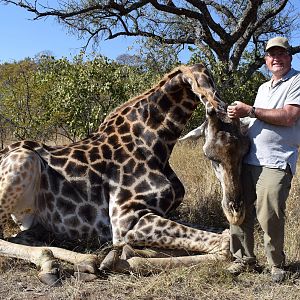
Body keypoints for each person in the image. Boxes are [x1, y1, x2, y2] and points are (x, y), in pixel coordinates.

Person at [226, 36, 300, 283]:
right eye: (271, 55)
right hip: (249, 159)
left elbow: (289, 116)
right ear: (266, 60)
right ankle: (244, 259)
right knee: (238, 208)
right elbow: (257, 120)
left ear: (289, 57)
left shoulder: (297, 80)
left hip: (277, 160)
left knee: (268, 212)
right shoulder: (262, 88)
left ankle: (276, 264)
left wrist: (249, 110)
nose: (276, 58)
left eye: (281, 54)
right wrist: (235, 116)